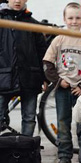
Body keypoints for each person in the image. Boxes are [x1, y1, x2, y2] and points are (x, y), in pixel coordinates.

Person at [43, 2, 81, 163]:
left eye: (78, 18)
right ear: (64, 19)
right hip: (63, 89)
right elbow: (47, 62)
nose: (74, 21)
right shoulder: (59, 39)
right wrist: (60, 81)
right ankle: (64, 154)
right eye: (70, 18)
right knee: (63, 121)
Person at [0, 0, 48, 136]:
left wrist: (45, 78)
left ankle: (26, 151)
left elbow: (42, 53)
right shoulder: (1, 22)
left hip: (30, 79)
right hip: (3, 78)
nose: (17, 1)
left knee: (29, 118)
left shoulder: (33, 24)